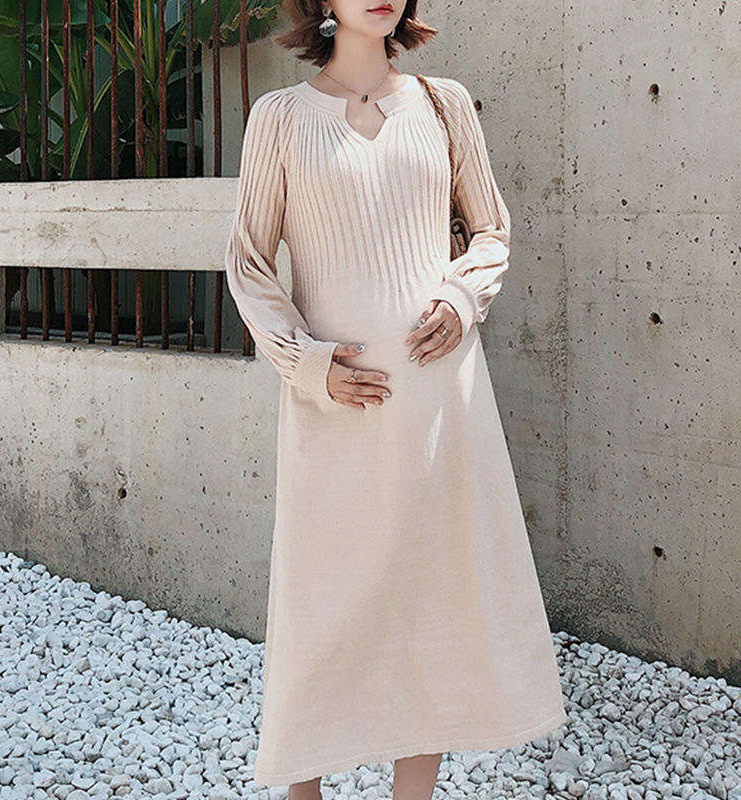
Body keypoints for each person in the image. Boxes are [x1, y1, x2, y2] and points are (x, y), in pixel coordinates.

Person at [224, 1, 569, 798]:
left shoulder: (445, 104)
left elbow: (491, 230)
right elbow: (248, 261)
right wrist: (307, 364)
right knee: (321, 607)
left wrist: (462, 297)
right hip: (335, 403)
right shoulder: (280, 117)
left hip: (440, 397)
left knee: (433, 596)